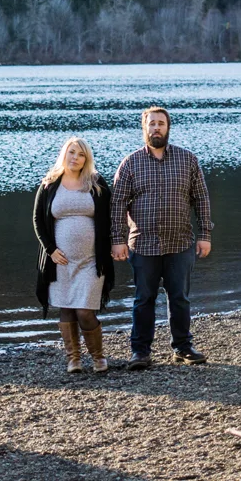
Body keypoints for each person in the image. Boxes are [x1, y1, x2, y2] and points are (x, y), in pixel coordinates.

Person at [110, 106, 212, 370]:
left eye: (161, 124)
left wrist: (205, 235)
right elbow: (118, 203)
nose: (156, 128)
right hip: (142, 244)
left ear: (168, 128)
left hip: (180, 242)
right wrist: (117, 239)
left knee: (179, 297)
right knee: (144, 298)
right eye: (151, 124)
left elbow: (201, 198)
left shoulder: (187, 160)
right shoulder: (130, 163)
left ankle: (182, 348)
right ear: (144, 128)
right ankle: (140, 352)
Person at [33, 136, 115, 372]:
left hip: (92, 260)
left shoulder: (96, 183)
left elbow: (111, 215)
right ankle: (74, 359)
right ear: (64, 154)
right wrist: (50, 250)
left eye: (81, 154)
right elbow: (38, 220)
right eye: (72, 152)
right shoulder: (49, 184)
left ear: (86, 159)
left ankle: (98, 357)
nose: (76, 158)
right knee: (66, 308)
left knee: (85, 310)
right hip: (60, 260)